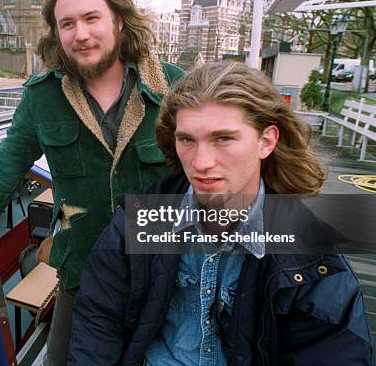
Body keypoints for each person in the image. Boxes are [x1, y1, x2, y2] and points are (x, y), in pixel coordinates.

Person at [0, 0, 184, 365]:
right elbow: (10, 161)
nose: (80, 34)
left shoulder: (171, 88)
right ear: (56, 32)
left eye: (91, 18)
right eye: (67, 23)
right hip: (81, 269)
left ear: (118, 20)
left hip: (159, 267)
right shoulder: (43, 96)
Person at [69, 62, 373, 365]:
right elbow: (98, 323)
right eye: (187, 140)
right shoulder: (139, 220)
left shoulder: (309, 250)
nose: (200, 162)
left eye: (223, 139)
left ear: (266, 141)